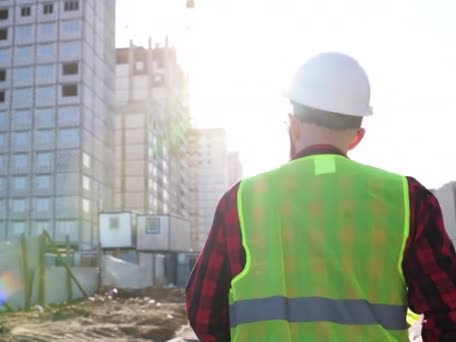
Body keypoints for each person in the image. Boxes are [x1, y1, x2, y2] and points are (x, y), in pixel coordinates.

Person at [186, 52, 456, 341]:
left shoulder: (243, 200)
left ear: (293, 124)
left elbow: (205, 315)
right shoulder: (408, 199)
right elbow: (449, 311)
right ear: (357, 136)